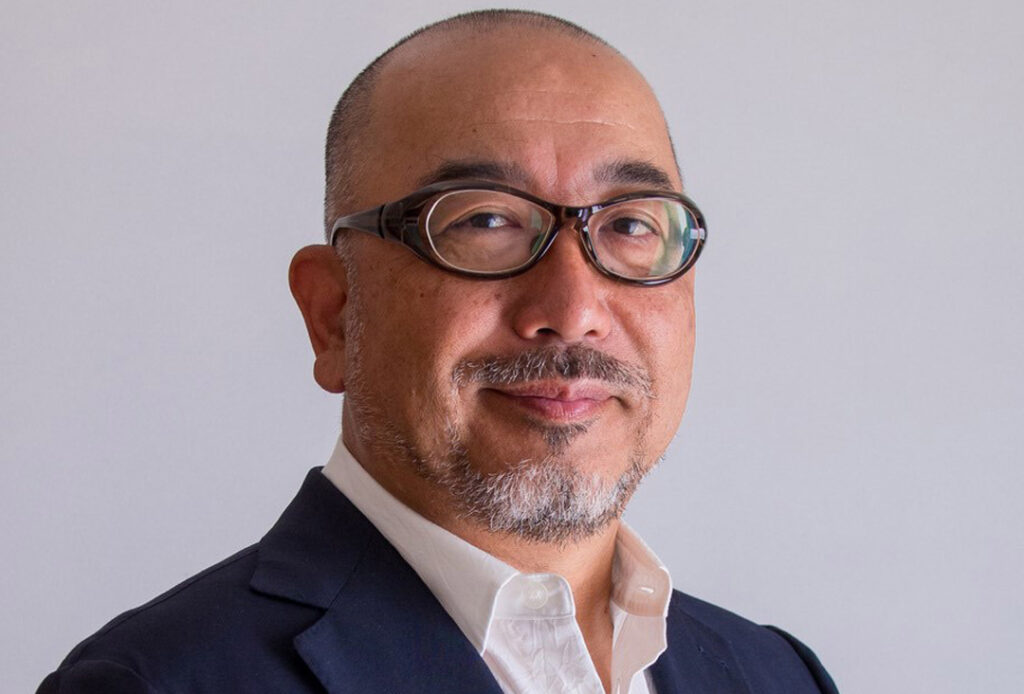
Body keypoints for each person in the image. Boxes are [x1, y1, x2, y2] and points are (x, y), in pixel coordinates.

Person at [38, 10, 837, 694]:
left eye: (630, 224)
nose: (573, 311)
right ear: (332, 315)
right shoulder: (158, 682)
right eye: (484, 222)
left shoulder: (777, 675)